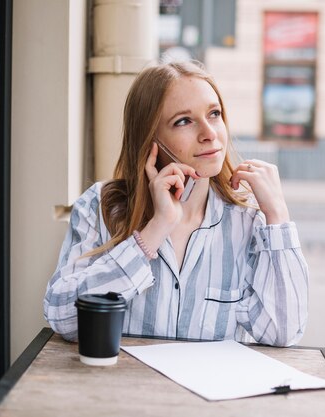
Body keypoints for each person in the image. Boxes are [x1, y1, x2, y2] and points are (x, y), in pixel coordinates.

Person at [44, 61, 308, 347]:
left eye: (214, 114)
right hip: (123, 389)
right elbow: (64, 318)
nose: (210, 133)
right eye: (184, 121)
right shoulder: (100, 206)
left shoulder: (247, 220)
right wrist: (153, 232)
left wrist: (278, 215)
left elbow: (284, 332)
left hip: (210, 391)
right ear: (150, 139)